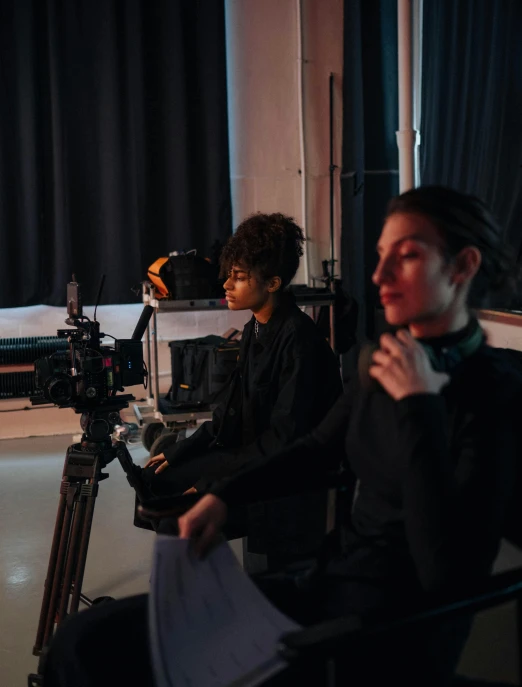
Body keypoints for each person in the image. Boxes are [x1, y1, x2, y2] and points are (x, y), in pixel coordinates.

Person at [43, 186, 522, 687]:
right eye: (380, 255)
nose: (379, 276)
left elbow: (445, 574)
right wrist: (224, 496)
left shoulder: (497, 395)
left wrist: (421, 408)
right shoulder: (386, 359)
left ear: (463, 266)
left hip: (380, 628)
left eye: (407, 256)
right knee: (81, 639)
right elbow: (316, 447)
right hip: (328, 584)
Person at [137, 211, 342, 560]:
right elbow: (229, 413)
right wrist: (179, 451)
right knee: (153, 484)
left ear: (273, 283)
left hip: (288, 476)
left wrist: (211, 487)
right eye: (229, 275)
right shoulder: (254, 328)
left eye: (240, 278)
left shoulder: (299, 340)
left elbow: (284, 440)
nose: (227, 286)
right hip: (253, 455)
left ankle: (202, 599)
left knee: (177, 514)